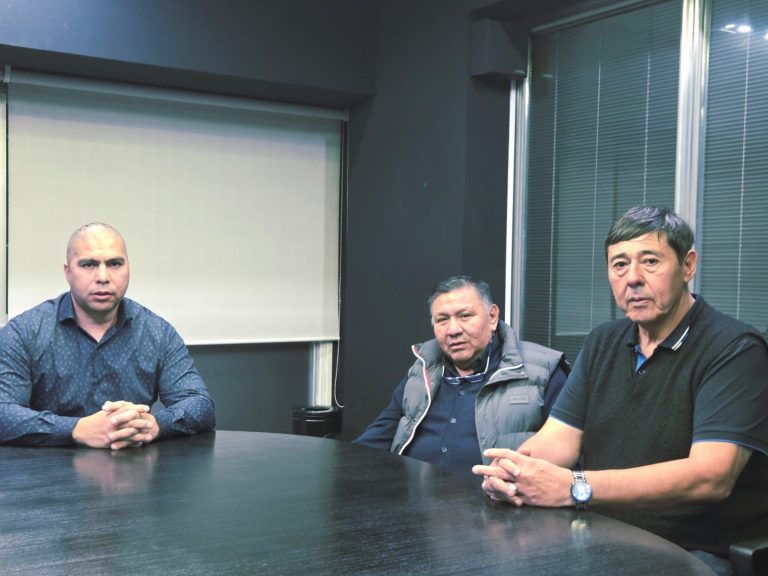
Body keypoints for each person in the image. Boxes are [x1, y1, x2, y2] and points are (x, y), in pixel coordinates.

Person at [473, 206, 768, 572]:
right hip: (600, 536)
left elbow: (710, 478)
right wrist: (514, 472)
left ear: (688, 266)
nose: (633, 279)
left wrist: (576, 488)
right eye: (619, 265)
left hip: (695, 552)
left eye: (650, 261)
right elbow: (558, 441)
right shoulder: (603, 341)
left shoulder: (734, 348)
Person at [0, 223, 215, 450]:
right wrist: (76, 429)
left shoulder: (158, 332)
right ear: (68, 272)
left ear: (128, 268)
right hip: (44, 469)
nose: (102, 277)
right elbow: (3, 411)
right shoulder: (24, 332)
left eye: (114, 264)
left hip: (132, 467)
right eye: (88, 264)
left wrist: (152, 425)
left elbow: (200, 405)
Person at [354, 275, 569, 476]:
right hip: (412, 498)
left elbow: (564, 464)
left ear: (492, 317)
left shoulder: (543, 372)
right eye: (442, 320)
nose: (453, 330)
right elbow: (376, 439)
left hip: (496, 501)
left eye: (465, 316)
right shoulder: (421, 372)